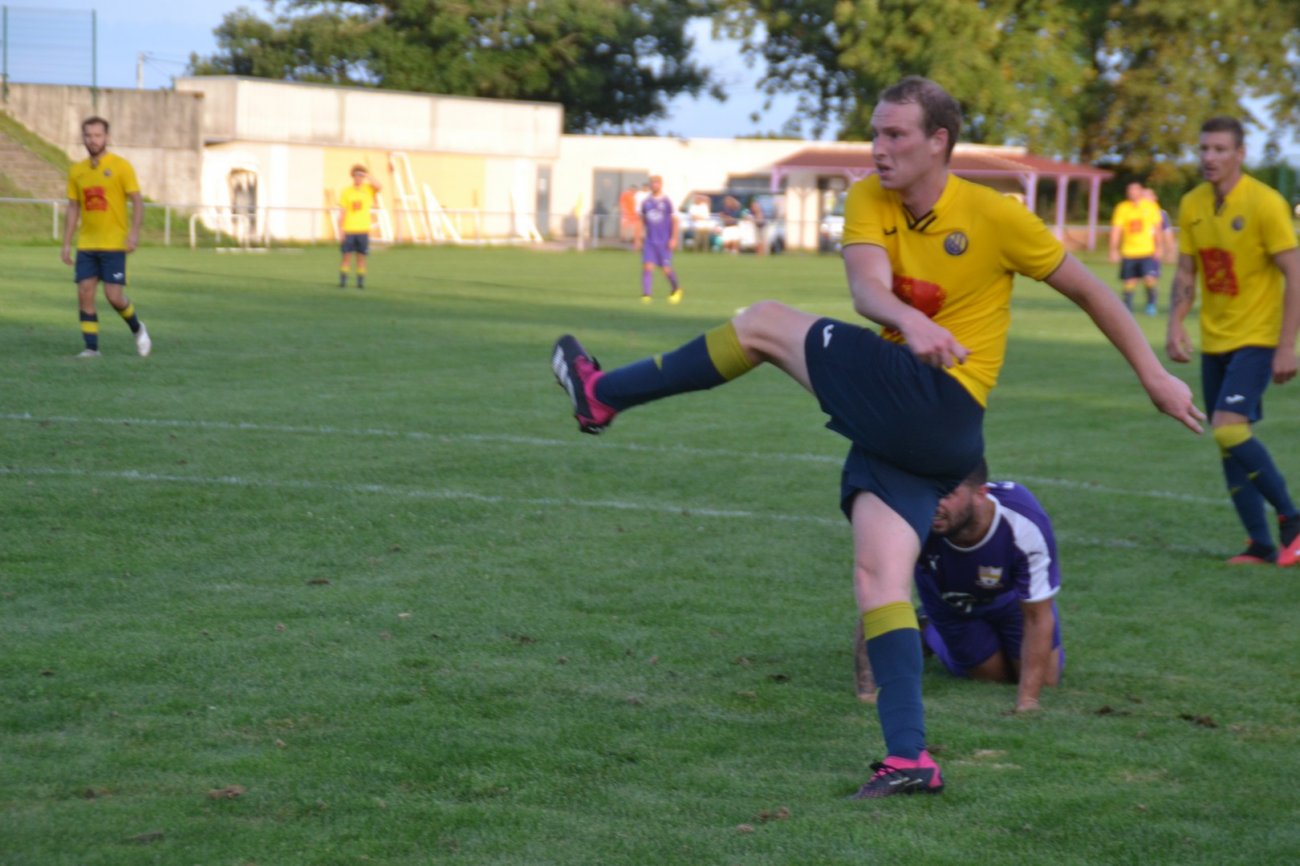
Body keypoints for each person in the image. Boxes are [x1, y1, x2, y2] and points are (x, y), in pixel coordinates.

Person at [550, 76, 1201, 799]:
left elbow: (1092, 290)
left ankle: (602, 395)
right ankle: (909, 758)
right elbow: (865, 290)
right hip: (923, 432)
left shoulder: (994, 216)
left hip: (944, 406)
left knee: (764, 320)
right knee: (879, 578)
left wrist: (1153, 377)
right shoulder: (867, 198)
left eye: (896, 135)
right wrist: (913, 321)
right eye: (876, 132)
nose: (880, 148)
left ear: (938, 143)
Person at [1166, 116, 1300, 566]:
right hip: (1215, 340)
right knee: (1226, 441)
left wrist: (1286, 346)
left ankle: (1292, 521)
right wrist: (1175, 323)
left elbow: (1295, 273)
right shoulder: (1192, 203)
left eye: (1220, 149)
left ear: (1240, 154)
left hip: (1257, 339)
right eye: (1204, 149)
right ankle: (1260, 545)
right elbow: (1187, 270)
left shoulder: (1265, 203)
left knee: (1228, 425)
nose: (1209, 157)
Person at [854, 461, 1064, 713]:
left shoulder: (1022, 521)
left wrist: (1027, 701)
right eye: (931, 492)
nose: (934, 504)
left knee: (1046, 680)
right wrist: (866, 690)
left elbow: (1037, 615)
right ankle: (929, 630)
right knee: (991, 678)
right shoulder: (914, 520)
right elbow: (878, 593)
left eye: (947, 494)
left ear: (980, 494)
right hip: (949, 604)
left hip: (1007, 601)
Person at [60, 116, 151, 359]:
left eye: (98, 135)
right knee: (85, 293)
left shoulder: (121, 166)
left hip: (114, 244)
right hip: (87, 244)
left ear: (107, 138)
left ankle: (138, 328)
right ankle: (92, 348)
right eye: (88, 135)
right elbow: (73, 208)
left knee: (114, 297)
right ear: (83, 138)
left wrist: (133, 233)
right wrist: (67, 242)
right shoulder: (76, 171)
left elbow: (138, 201)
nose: (93, 140)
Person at [1110, 181, 1164, 315]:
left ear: (1140, 191)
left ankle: (1151, 304)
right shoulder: (1122, 208)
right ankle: (1127, 308)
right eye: (1129, 190)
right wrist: (1113, 249)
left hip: (1147, 250)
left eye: (1134, 190)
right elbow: (1116, 229)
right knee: (1129, 281)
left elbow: (1157, 229)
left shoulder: (1150, 207)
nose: (1132, 193)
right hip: (1129, 251)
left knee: (1149, 278)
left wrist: (1159, 247)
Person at [636, 175, 682, 304]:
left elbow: (675, 221)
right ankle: (646, 294)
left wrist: (673, 238)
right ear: (650, 185)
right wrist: (638, 238)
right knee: (647, 266)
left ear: (661, 185)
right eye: (653, 183)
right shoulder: (646, 202)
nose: (655, 185)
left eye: (657, 183)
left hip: (664, 241)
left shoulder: (667, 201)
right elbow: (641, 220)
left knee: (665, 269)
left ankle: (676, 288)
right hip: (650, 241)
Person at [338, 164, 382, 289]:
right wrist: (341, 230)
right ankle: (343, 281)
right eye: (356, 175)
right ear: (352, 176)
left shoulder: (368, 189)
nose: (358, 178)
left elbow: (379, 186)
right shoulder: (346, 192)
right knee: (346, 256)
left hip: (363, 230)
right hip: (349, 230)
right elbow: (342, 212)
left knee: (361, 257)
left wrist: (368, 176)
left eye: (360, 175)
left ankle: (360, 282)